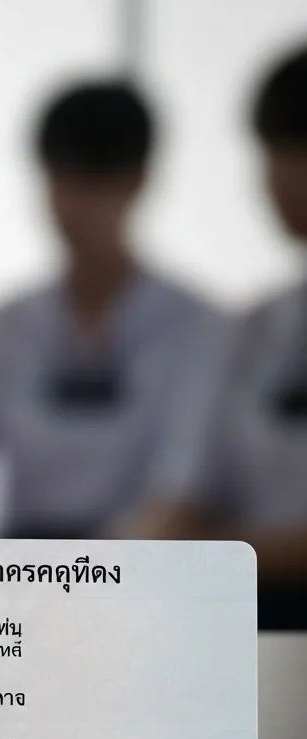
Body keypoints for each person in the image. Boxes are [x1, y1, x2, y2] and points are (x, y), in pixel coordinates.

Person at [0, 80, 221, 541]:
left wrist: (95, 576)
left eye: (95, 185)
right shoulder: (1, 329)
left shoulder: (198, 329)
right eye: (61, 180)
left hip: (141, 565)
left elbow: (184, 496)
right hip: (19, 564)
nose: (74, 205)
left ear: (139, 183)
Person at [135, 46, 307, 629]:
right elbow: (180, 500)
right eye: (272, 152)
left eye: (295, 151)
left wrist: (224, 551)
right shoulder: (249, 330)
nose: (277, 177)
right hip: (249, 614)